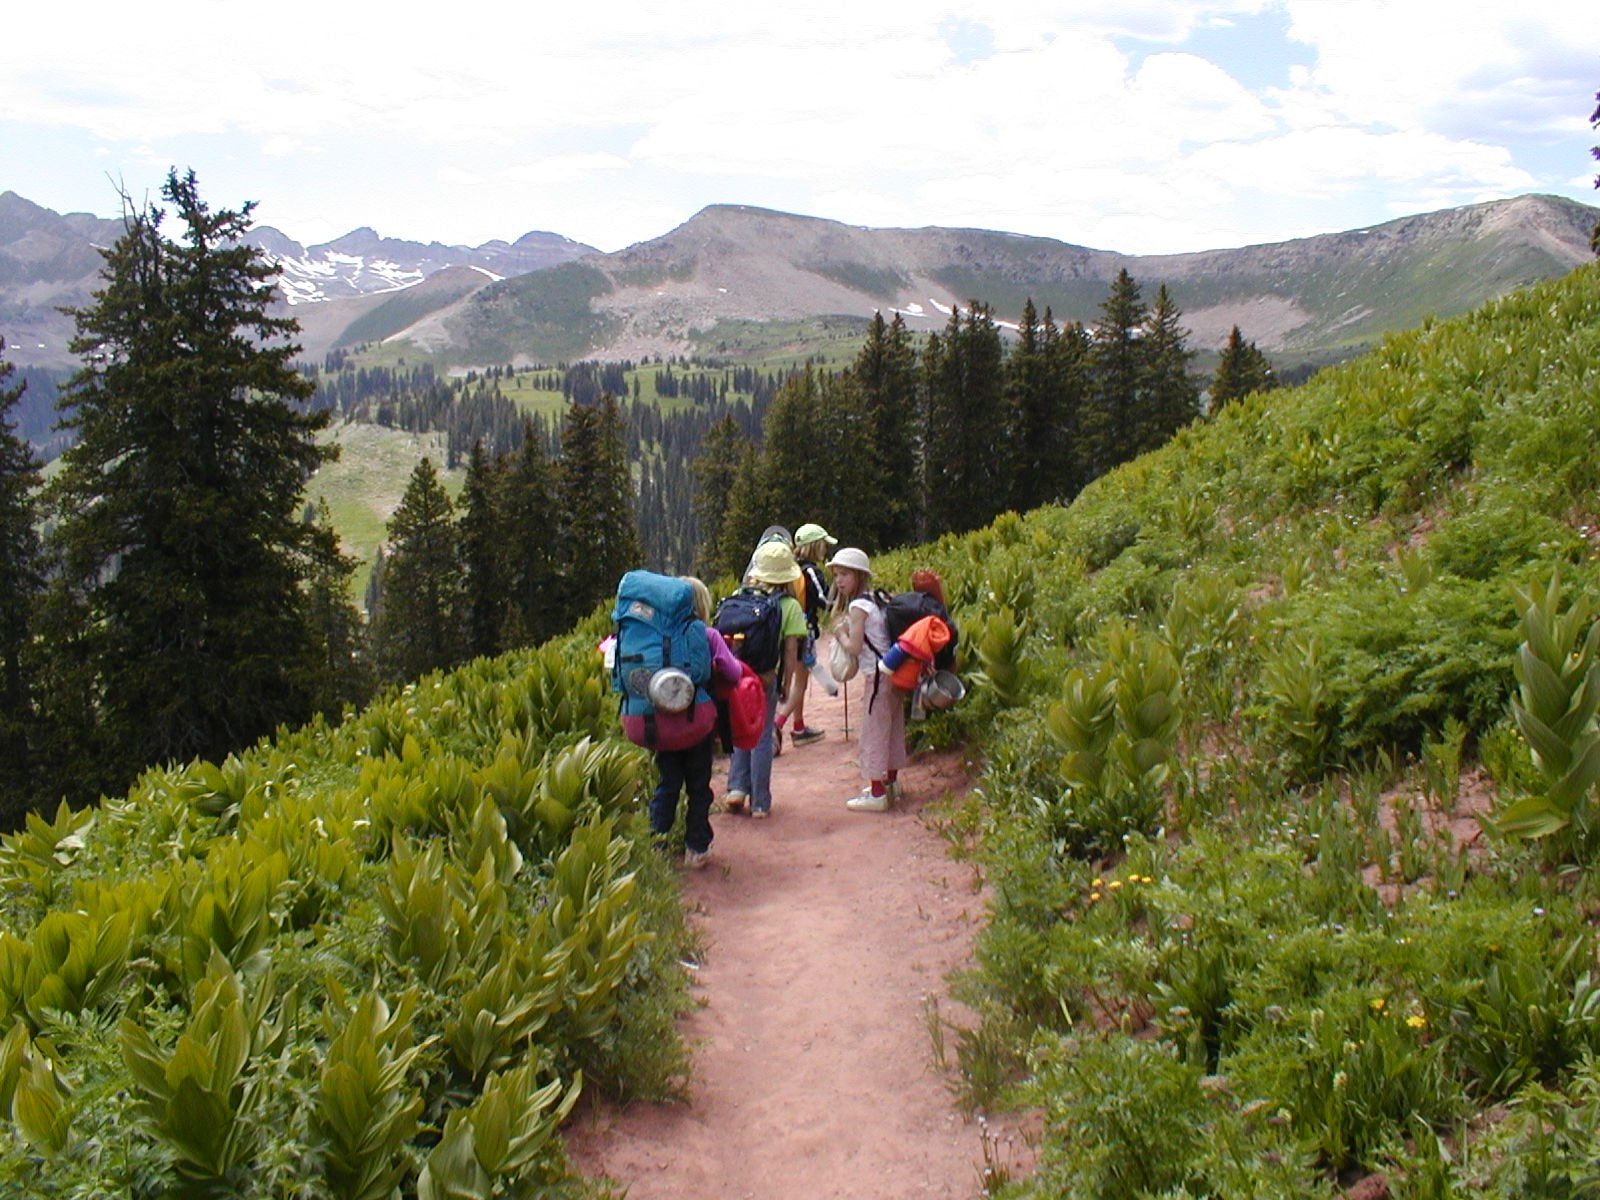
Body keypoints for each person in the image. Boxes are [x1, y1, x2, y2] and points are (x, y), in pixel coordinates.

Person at [651, 577, 744, 867]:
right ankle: (696, 846)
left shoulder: (657, 636)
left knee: (668, 782)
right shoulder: (708, 635)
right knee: (698, 785)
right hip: (698, 724)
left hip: (664, 724)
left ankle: (657, 839)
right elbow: (733, 673)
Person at [724, 541, 809, 820]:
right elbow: (790, 649)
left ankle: (736, 788)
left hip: (737, 677)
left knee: (739, 730)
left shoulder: (740, 595)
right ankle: (760, 802)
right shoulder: (790, 606)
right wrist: (785, 683)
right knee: (762, 737)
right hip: (765, 677)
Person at [827, 546, 904, 813]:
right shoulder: (877, 598)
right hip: (894, 672)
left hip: (876, 678)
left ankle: (877, 792)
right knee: (893, 728)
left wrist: (839, 634)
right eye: (837, 575)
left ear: (858, 575)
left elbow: (855, 647)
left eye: (845, 574)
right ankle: (892, 783)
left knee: (873, 732)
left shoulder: (859, 606)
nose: (839, 580)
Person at [777, 521, 838, 746]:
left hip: (787, 631)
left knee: (796, 679)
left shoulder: (789, 568)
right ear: (816, 545)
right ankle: (778, 724)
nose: (825, 548)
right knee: (800, 683)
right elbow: (825, 601)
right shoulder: (811, 570)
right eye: (823, 544)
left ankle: (799, 726)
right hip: (804, 632)